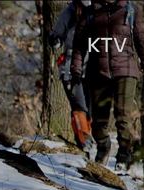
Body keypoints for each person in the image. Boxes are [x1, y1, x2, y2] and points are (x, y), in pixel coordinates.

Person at [71, 0, 144, 169]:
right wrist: (76, 69)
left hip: (126, 71)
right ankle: (104, 146)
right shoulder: (90, 13)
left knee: (123, 116)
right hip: (97, 72)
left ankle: (124, 155)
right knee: (99, 120)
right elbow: (79, 45)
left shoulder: (131, 10)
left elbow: (141, 38)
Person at [49, 0, 94, 152]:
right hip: (71, 66)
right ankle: (84, 143)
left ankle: (94, 144)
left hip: (95, 65)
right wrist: (56, 39)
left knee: (92, 108)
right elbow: (57, 34)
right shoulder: (71, 10)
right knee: (79, 105)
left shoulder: (102, 8)